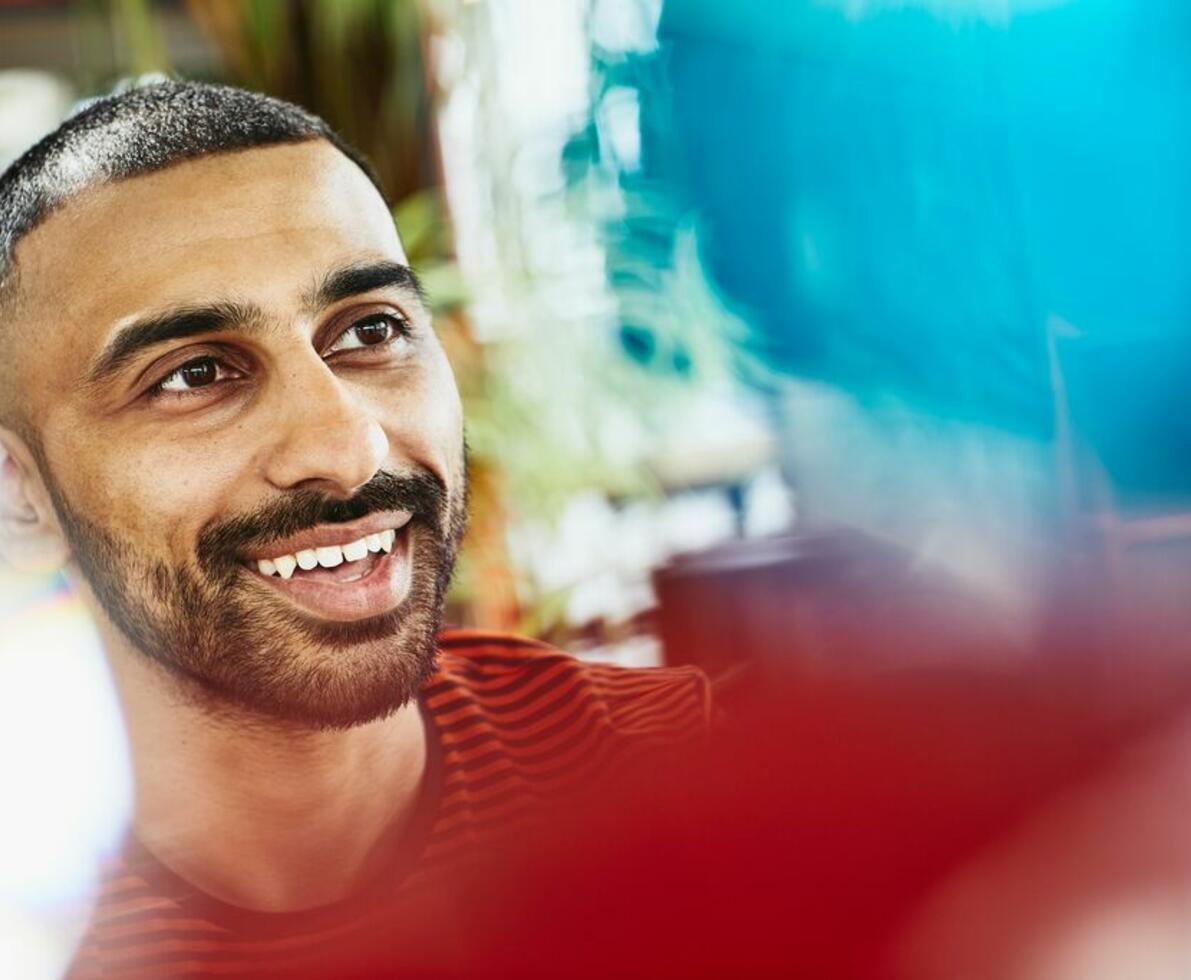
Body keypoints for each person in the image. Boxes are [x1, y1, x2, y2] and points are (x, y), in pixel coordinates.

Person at [0, 80, 711, 978]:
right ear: (17, 496)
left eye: (370, 329)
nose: (345, 447)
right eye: (192, 374)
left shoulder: (686, 779)